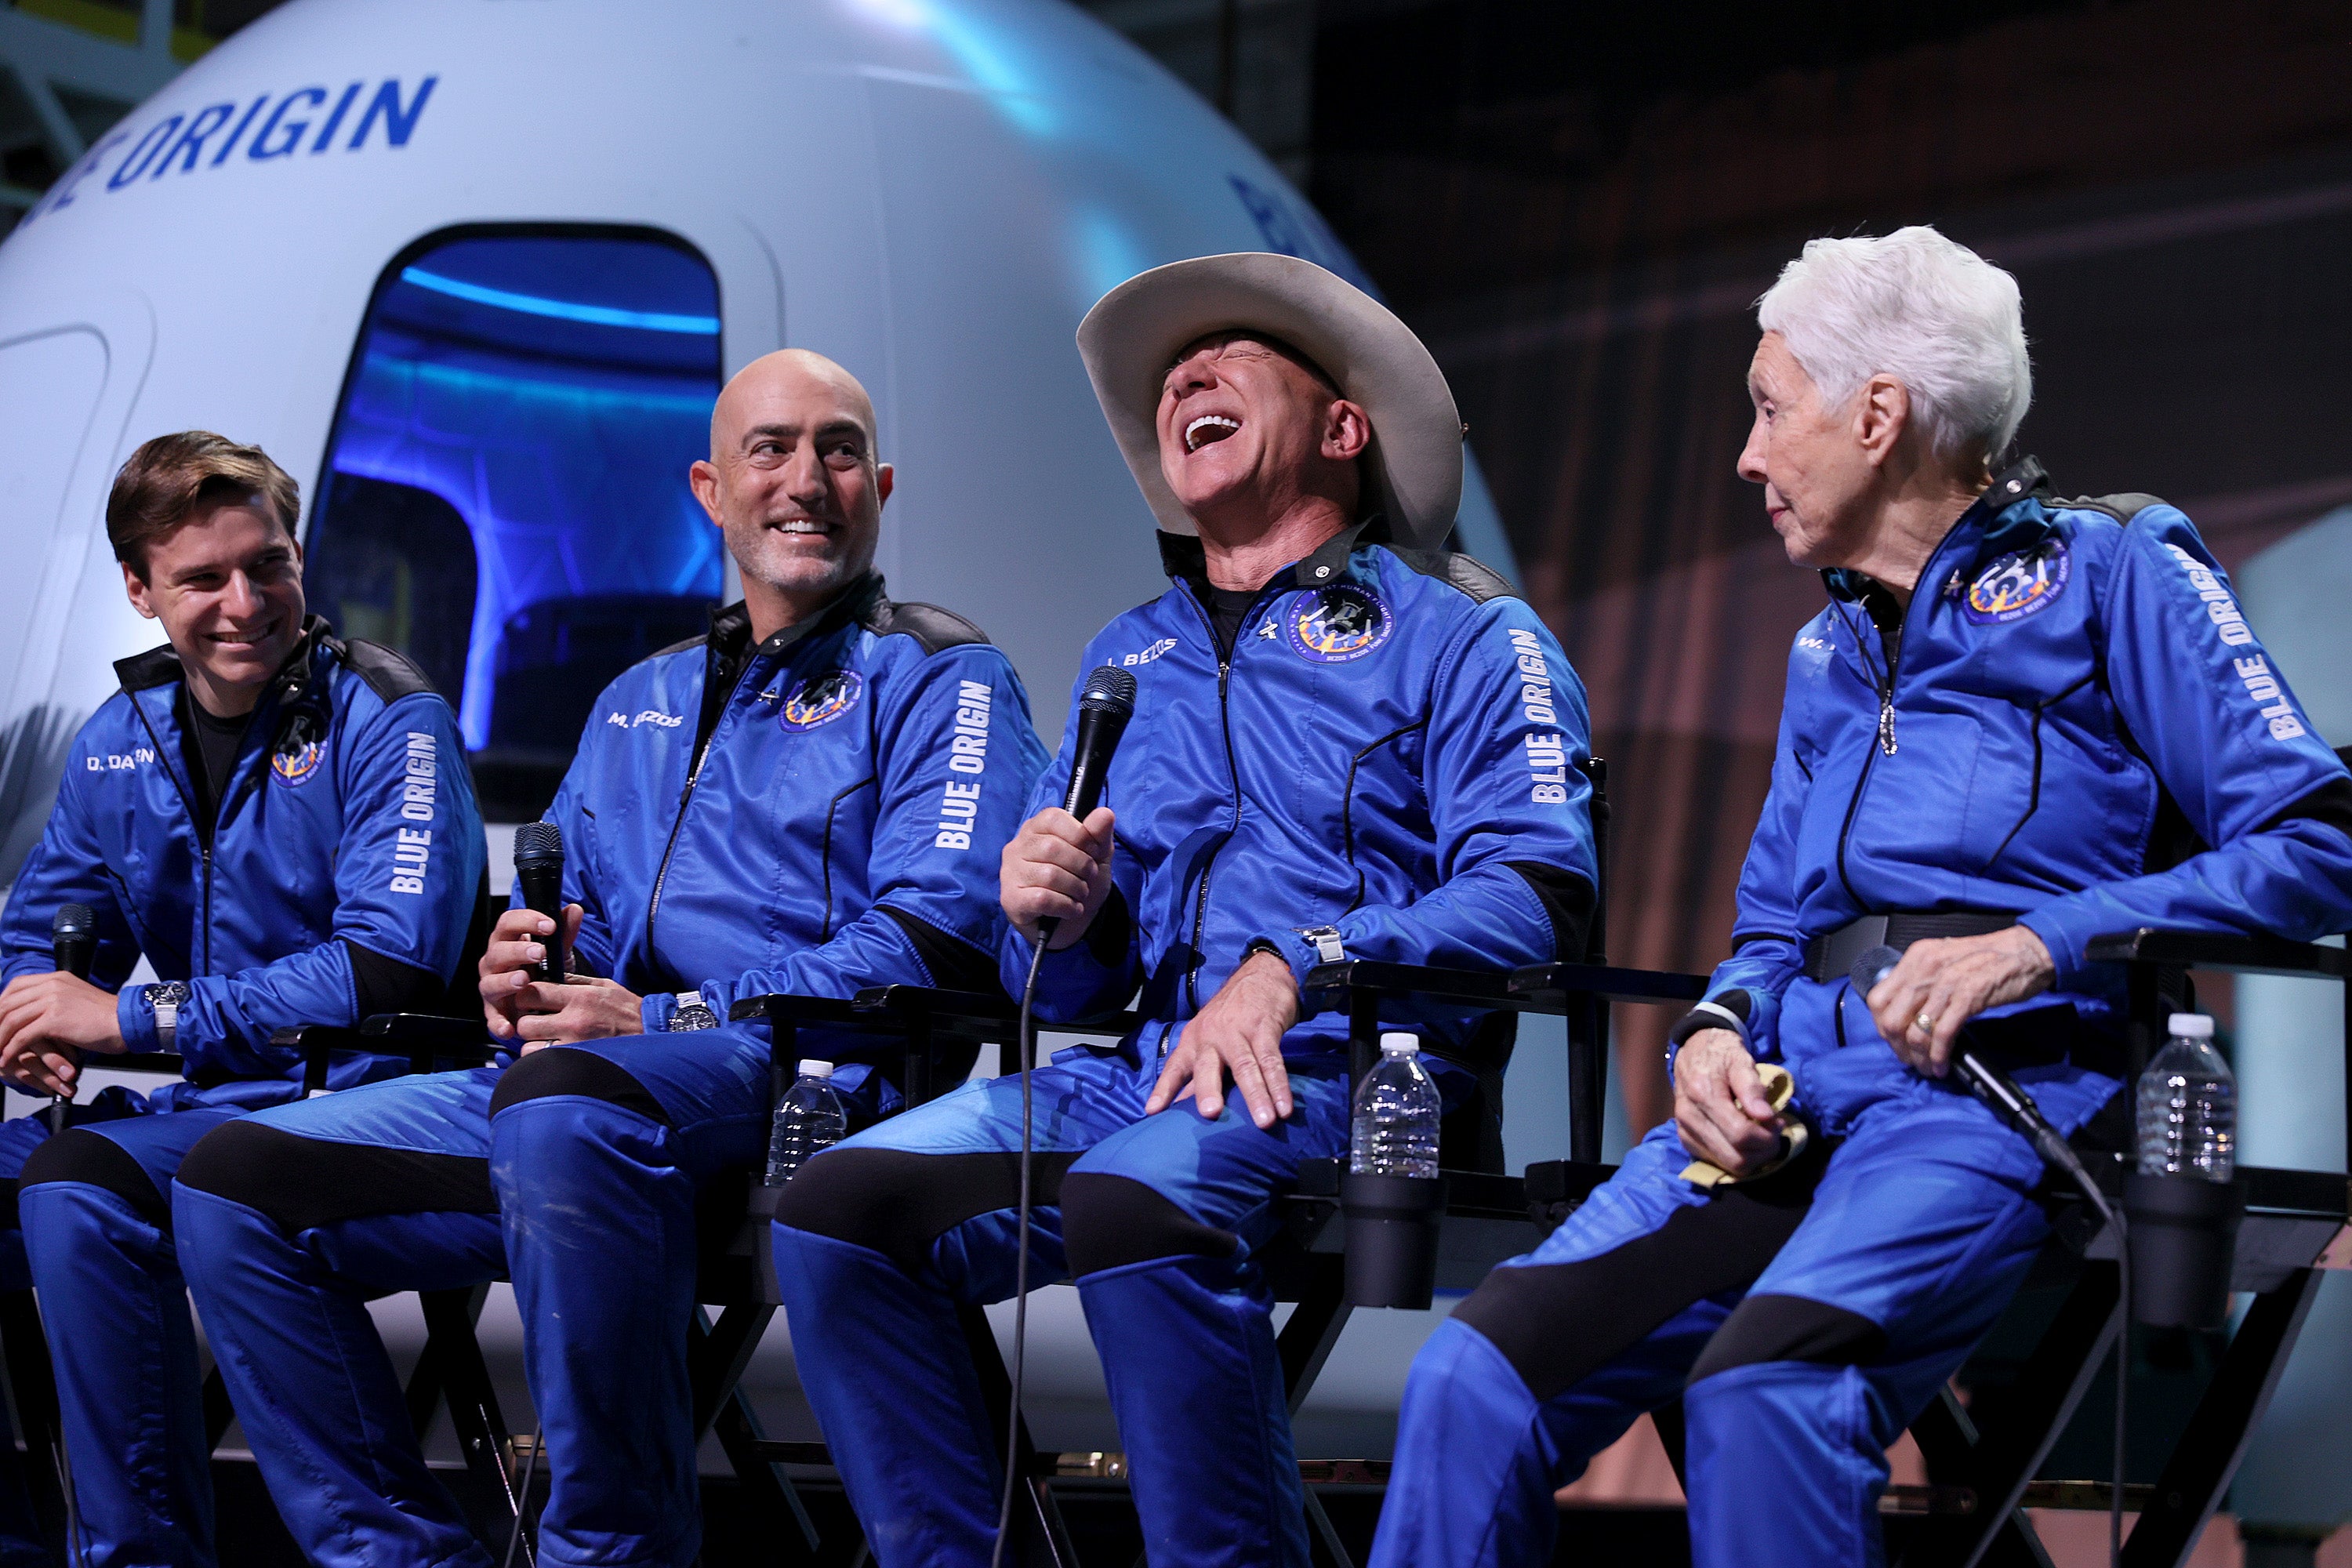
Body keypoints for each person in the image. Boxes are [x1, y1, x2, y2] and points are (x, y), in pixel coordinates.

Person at [1368, 227, 2352, 1568]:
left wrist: (2031, 946)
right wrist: (1712, 1034)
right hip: (1793, 1087)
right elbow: (1770, 925)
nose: (1748, 455)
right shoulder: (1826, 647)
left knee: (1766, 1390)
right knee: (1469, 1383)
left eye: (1772, 409)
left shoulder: (2118, 570)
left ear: (1877, 415)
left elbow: (2316, 837)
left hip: (1999, 1091)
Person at [771, 253, 1601, 1567]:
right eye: (1170, 376)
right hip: (1145, 1080)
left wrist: (1304, 966)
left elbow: (1538, 896)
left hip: (1343, 1076)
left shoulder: (1464, 635)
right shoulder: (1126, 655)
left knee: (1131, 1198)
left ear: (1344, 427)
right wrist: (1064, 913)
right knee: (836, 1208)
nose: (1183, 380)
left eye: (1232, 356)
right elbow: (1074, 986)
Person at [172, 349, 1047, 1568]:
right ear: (709, 488)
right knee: (232, 1179)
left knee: (566, 1103)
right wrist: (509, 972)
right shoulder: (640, 697)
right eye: (772, 449)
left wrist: (669, 1021)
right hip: (581, 1087)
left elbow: (935, 944)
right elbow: (563, 928)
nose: (808, 479)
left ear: (881, 484)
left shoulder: (943, 675)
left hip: (802, 1084)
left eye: (839, 450)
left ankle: (612, 1552)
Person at [0, 430, 485, 1567]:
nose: (245, 602)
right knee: (64, 1181)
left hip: (363, 1116)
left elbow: (388, 968)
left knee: (79, 1187)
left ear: (299, 555)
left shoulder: (390, 716)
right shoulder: (121, 739)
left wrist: (125, 1020)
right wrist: (23, 1013)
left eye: (267, 565)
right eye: (202, 578)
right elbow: (39, 941)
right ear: (137, 589)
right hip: (209, 1120)